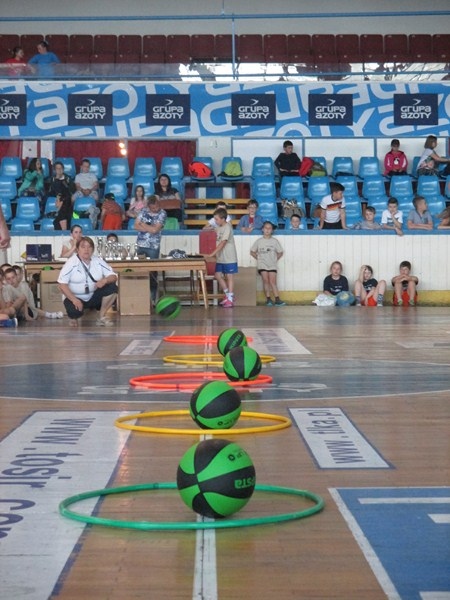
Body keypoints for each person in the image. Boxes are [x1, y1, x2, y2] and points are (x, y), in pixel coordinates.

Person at [57, 236, 118, 327]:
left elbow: (113, 276)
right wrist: (74, 300)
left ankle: (101, 316)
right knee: (74, 313)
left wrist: (105, 280)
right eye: (83, 247)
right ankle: (74, 317)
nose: (86, 249)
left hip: (93, 295)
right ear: (77, 249)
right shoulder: (71, 263)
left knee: (112, 288)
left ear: (93, 249)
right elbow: (62, 284)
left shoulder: (98, 261)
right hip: (75, 297)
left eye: (89, 247)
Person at [134, 195, 166, 305]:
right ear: (148, 206)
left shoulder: (162, 213)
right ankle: (139, 297)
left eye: (156, 207)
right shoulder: (143, 211)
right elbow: (135, 226)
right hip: (141, 245)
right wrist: (150, 227)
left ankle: (152, 299)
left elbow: (155, 230)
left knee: (152, 272)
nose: (155, 209)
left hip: (153, 246)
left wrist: (143, 224)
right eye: (153, 208)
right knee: (139, 271)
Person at [205, 207, 238, 308]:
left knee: (229, 276)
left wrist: (212, 254)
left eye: (217, 219)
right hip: (221, 257)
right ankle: (228, 295)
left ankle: (230, 299)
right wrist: (208, 228)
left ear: (223, 219)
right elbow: (207, 229)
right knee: (218, 275)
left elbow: (223, 243)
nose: (215, 221)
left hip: (229, 257)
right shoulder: (218, 228)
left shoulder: (228, 227)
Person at [250, 221, 285, 306]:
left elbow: (280, 252)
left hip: (272, 264)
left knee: (273, 281)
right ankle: (268, 299)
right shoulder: (259, 241)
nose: (267, 230)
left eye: (269, 228)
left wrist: (274, 259)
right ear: (262, 229)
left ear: (272, 230)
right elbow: (252, 252)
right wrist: (259, 259)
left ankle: (277, 299)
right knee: (266, 281)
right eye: (266, 228)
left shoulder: (274, 241)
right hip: (262, 264)